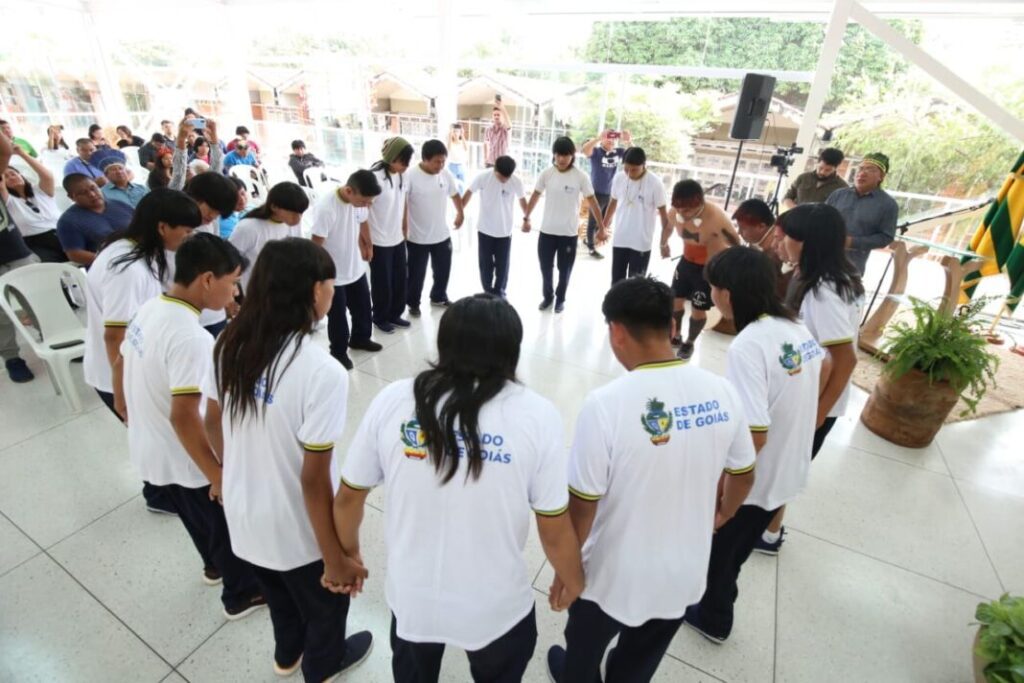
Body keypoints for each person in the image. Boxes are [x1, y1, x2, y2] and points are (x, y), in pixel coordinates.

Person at [335, 294, 585, 683]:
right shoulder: (537, 416)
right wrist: (573, 579)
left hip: (412, 598)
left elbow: (349, 497)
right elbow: (553, 530)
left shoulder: (395, 399)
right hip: (495, 606)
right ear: (511, 352)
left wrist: (348, 553)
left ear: (444, 344)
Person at [546, 276, 756, 683]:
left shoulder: (606, 405)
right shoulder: (721, 391)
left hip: (614, 575)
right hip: (684, 570)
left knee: (583, 649)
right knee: (640, 658)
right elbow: (744, 475)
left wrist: (566, 572)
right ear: (672, 327)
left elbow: (583, 506)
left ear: (616, 332)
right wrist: (722, 515)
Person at [204, 238, 373, 682]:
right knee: (325, 607)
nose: (333, 293)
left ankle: (287, 654)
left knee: (278, 595)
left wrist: (228, 473)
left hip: (243, 513)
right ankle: (323, 665)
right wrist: (334, 557)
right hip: (296, 528)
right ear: (315, 290)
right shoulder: (321, 371)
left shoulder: (229, 343)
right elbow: (314, 481)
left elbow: (211, 421)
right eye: (331, 285)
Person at [119, 232, 267, 619]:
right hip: (186, 455)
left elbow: (121, 359)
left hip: (153, 446)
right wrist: (217, 475)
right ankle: (241, 595)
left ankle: (213, 568)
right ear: (207, 279)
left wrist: (124, 406)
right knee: (220, 524)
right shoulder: (191, 338)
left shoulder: (152, 307)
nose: (235, 293)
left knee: (195, 519)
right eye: (232, 282)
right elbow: (184, 415)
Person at [683, 246, 826, 644]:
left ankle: (714, 618)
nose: (711, 295)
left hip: (758, 481)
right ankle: (714, 605)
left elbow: (753, 435)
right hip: (788, 468)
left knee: (722, 555)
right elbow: (823, 370)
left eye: (713, 288)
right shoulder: (794, 327)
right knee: (737, 550)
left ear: (727, 294)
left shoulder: (749, 345)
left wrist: (725, 500)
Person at [84, 189, 204, 519]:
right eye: (186, 231)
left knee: (155, 434)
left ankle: (160, 492)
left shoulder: (135, 249)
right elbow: (115, 335)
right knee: (159, 436)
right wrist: (123, 392)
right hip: (119, 372)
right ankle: (161, 495)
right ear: (162, 227)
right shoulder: (126, 268)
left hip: (131, 365)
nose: (189, 238)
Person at [758, 203, 863, 555]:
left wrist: (815, 415)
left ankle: (766, 534)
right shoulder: (832, 276)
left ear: (807, 242)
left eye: (785, 236)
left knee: (781, 468)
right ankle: (769, 532)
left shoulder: (823, 292)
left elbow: (845, 357)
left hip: (817, 400)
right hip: (812, 391)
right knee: (785, 465)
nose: (779, 242)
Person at [311, 170, 384, 370]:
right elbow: (316, 245)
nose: (366, 206)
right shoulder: (327, 208)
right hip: (333, 274)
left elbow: (363, 221)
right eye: (364, 201)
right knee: (338, 317)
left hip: (355, 266)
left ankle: (360, 338)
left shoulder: (360, 203)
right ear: (349, 191)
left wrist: (368, 244)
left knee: (363, 307)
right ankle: (339, 352)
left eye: (369, 202)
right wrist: (318, 276)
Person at [524, 136, 604, 314]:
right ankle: (548, 296)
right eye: (558, 155)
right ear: (554, 154)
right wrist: (526, 217)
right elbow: (535, 196)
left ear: (572, 155)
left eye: (565, 155)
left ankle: (560, 298)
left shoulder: (580, 176)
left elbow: (593, 202)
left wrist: (601, 227)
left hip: (568, 234)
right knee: (545, 268)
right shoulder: (546, 174)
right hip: (547, 232)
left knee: (565, 270)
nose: (561, 159)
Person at [665, 180, 740, 360]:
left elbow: (736, 243)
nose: (681, 213)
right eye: (678, 209)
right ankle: (676, 335)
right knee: (675, 301)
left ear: (699, 204)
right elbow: (668, 227)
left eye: (686, 210)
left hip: (707, 268)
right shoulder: (675, 212)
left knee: (698, 308)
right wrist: (663, 243)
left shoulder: (716, 217)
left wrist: (727, 270)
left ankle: (690, 342)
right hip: (686, 262)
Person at [404, 139, 463, 316]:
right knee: (416, 274)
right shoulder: (410, 176)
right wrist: (403, 227)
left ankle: (438, 296)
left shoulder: (445, 174)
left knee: (443, 270)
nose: (441, 165)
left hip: (441, 234)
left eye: (443, 161)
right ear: (425, 159)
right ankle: (413, 303)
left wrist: (460, 213)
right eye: (437, 161)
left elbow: (455, 194)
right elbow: (403, 204)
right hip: (417, 237)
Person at [182, 171, 244, 337]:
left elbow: (218, 260)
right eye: (211, 209)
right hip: (188, 316)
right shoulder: (177, 228)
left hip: (214, 314)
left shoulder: (211, 222)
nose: (212, 216)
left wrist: (229, 299)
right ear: (195, 197)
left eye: (218, 213)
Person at [0, 131, 40, 383]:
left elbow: (5, 151)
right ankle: (12, 358)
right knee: (0, 317)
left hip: (15, 250)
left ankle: (54, 336)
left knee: (35, 299)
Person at [462, 155, 527, 297]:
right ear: (495, 169)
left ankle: (499, 291)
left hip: (505, 231)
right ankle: (487, 291)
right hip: (485, 229)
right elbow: (469, 192)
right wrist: (460, 212)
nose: (504, 180)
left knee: (503, 265)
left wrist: (527, 218)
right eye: (501, 176)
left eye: (507, 177)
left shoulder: (516, 181)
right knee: (485, 264)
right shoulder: (483, 177)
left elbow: (522, 200)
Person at [368, 137, 414, 333]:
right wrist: (365, 242)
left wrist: (405, 225)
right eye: (403, 161)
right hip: (378, 239)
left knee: (400, 279)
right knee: (382, 283)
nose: (406, 166)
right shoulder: (374, 177)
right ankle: (380, 317)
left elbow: (403, 201)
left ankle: (395, 314)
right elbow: (362, 210)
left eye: (408, 162)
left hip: (397, 237)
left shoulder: (402, 176)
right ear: (392, 157)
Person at [602, 146, 669, 283]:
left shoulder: (655, 183)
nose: (630, 173)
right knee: (617, 282)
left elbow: (663, 214)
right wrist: (603, 227)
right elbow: (612, 203)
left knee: (636, 285)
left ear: (644, 165)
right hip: (620, 238)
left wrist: (664, 242)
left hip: (641, 242)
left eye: (634, 170)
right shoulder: (619, 178)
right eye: (627, 169)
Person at [825, 152, 899, 276]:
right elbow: (820, 219)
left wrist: (852, 242)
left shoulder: (888, 205)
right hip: (820, 258)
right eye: (860, 168)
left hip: (851, 266)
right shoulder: (838, 195)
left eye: (870, 169)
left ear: (881, 176)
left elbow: (885, 237)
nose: (862, 173)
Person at [229, 181, 308, 292]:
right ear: (274, 207)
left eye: (301, 213)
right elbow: (229, 260)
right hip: (258, 292)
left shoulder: (293, 223)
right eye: (293, 213)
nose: (298, 218)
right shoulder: (248, 227)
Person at [1, 142, 66, 262]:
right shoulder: (8, 201)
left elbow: (47, 175)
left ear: (21, 175)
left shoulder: (40, 191)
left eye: (13, 174)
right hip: (36, 243)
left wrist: (22, 154)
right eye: (6, 177)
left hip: (63, 231)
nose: (11, 177)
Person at [56, 174, 134, 266]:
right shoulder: (68, 221)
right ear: (71, 197)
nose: (92, 194)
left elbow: (141, 227)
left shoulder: (120, 205)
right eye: (83, 193)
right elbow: (74, 254)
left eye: (93, 188)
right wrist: (111, 260)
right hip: (108, 266)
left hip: (138, 256)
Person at [581, 128, 631, 258]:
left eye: (613, 137)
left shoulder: (618, 152)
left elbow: (635, 155)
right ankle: (591, 248)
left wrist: (628, 141)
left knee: (606, 223)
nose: (611, 140)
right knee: (593, 221)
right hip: (595, 193)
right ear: (603, 139)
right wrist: (598, 138)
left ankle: (590, 240)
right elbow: (585, 150)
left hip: (610, 194)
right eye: (608, 137)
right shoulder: (597, 152)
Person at [781, 147, 847, 210]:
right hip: (796, 216)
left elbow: (842, 210)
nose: (822, 172)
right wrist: (795, 209)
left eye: (828, 170)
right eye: (820, 168)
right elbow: (787, 198)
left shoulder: (842, 187)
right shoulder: (803, 177)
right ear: (817, 163)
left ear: (836, 168)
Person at [172, 118, 223, 191]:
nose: (188, 171)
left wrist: (181, 138)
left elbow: (179, 175)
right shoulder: (192, 160)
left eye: (206, 146)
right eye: (201, 145)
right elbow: (179, 174)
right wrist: (181, 139)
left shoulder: (210, 188)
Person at [483, 96, 511, 168]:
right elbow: (486, 143)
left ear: (502, 116)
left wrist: (502, 107)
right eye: (494, 115)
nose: (496, 117)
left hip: (502, 163)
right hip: (490, 162)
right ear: (492, 116)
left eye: (498, 115)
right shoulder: (488, 129)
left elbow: (509, 124)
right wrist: (485, 158)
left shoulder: (505, 129)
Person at [446, 123, 469, 190]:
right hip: (452, 166)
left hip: (461, 165)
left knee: (462, 186)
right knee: (453, 186)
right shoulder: (449, 142)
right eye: (454, 131)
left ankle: (461, 196)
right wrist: (450, 136)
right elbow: (448, 148)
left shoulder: (462, 142)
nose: (456, 133)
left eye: (457, 131)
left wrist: (462, 135)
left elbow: (466, 148)